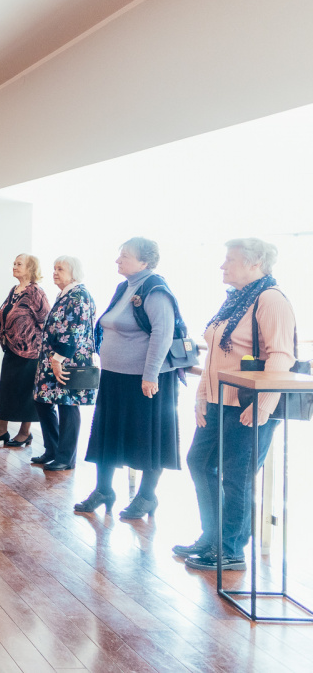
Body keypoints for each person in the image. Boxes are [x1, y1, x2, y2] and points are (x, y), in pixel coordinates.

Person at [177, 238, 296, 571]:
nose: (223, 265)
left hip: (249, 405)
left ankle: (230, 550)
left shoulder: (271, 299)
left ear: (254, 264)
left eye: (230, 260)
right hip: (219, 401)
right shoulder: (236, 300)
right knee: (200, 463)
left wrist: (263, 405)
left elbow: (281, 356)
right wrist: (202, 397)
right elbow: (216, 356)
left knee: (237, 478)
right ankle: (212, 537)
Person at [78, 238, 184, 517]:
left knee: (148, 438)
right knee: (108, 435)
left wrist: (150, 375)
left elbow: (162, 334)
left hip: (144, 380)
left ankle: (147, 496)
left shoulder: (155, 289)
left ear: (144, 261)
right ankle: (104, 490)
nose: (118, 260)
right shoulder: (124, 287)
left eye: (125, 256)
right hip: (115, 376)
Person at [30, 256, 97, 472]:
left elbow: (74, 330)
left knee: (67, 405)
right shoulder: (65, 294)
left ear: (73, 273)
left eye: (60, 269)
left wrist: (58, 359)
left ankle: (66, 457)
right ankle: (52, 449)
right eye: (54, 268)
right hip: (52, 359)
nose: (55, 272)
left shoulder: (79, 295)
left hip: (68, 360)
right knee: (43, 401)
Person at [0, 254, 49, 447]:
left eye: (19, 264)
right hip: (11, 348)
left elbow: (46, 321)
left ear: (31, 268)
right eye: (14, 263)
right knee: (7, 391)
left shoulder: (36, 292)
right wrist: (1, 317)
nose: (14, 266)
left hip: (30, 352)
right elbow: (10, 312)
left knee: (26, 392)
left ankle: (25, 433)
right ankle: (1, 430)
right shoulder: (15, 290)